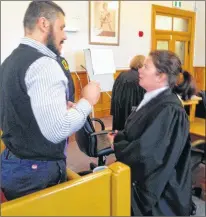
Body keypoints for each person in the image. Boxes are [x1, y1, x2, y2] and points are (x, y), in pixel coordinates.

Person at [0, 1, 100, 200]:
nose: (64, 35)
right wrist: (87, 101)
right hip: (37, 171)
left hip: (14, 161)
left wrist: (57, 108)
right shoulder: (44, 64)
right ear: (44, 24)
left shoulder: (9, 61)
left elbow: (19, 108)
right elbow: (58, 130)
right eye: (62, 27)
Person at [108, 50, 196, 216]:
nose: (139, 70)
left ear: (160, 76)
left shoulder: (170, 110)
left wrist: (117, 143)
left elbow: (148, 155)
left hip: (160, 196)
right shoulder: (153, 99)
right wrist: (120, 136)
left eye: (146, 67)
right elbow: (138, 134)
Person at [111, 55, 146, 130]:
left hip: (119, 111)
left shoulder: (122, 75)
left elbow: (114, 93)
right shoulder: (140, 78)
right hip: (132, 115)